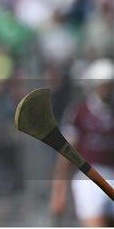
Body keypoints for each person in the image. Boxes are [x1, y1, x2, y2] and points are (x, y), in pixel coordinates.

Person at [50, 58, 114, 227]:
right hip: (90, 179)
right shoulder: (79, 113)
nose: (108, 89)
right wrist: (59, 191)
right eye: (105, 85)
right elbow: (67, 152)